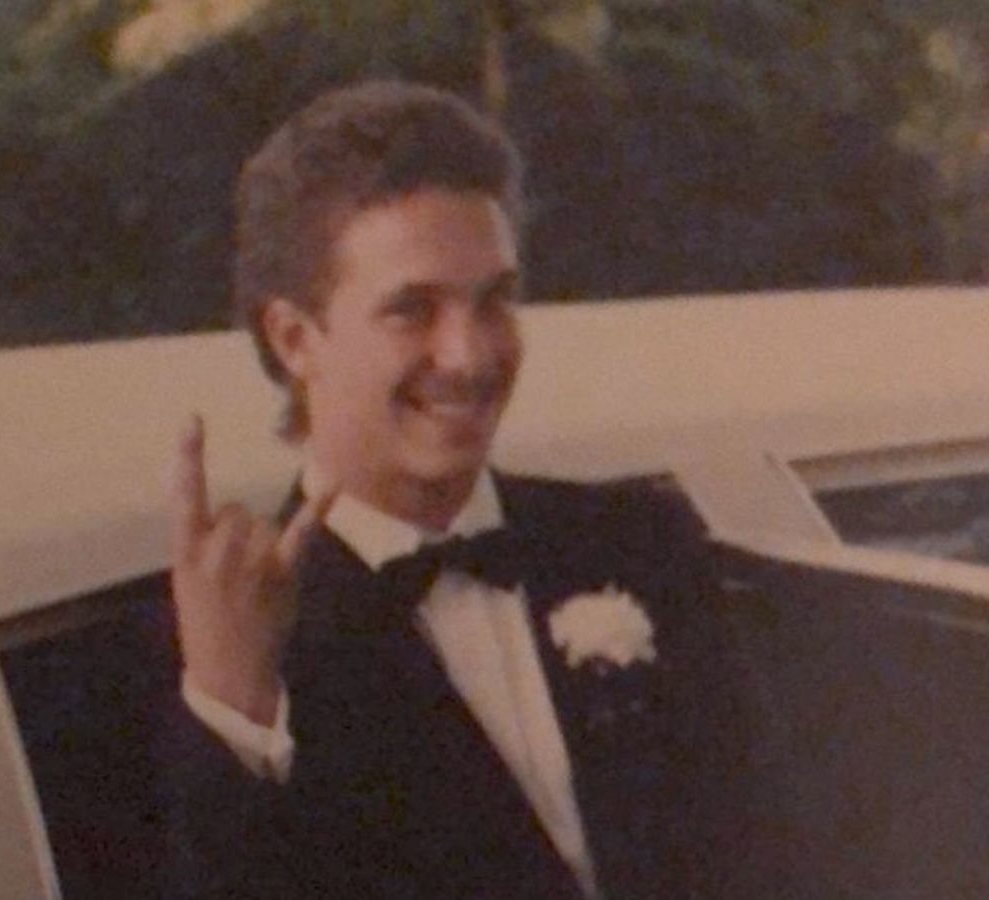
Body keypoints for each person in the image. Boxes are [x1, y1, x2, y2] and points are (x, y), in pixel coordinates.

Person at [152, 80, 752, 900]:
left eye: (494, 300)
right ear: (294, 338)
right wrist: (237, 710)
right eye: (412, 310)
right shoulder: (228, 652)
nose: (468, 357)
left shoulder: (643, 541)